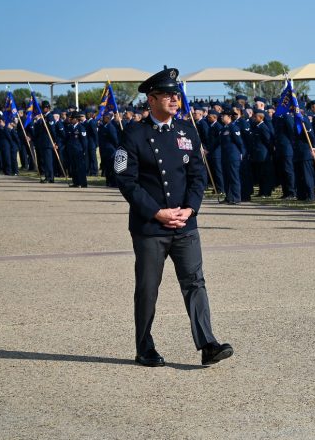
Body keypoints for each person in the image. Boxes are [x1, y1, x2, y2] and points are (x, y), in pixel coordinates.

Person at [115, 67, 233, 367]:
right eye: (167, 94)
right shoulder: (134, 134)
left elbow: (198, 176)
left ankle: (208, 344)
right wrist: (157, 211)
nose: (174, 99)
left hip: (185, 224)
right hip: (150, 226)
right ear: (151, 99)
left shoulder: (187, 132)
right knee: (147, 287)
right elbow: (126, 180)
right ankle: (144, 347)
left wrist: (190, 209)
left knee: (195, 283)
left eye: (176, 94)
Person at [64, 111, 88, 188]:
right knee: (73, 167)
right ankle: (76, 182)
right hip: (71, 150)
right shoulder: (70, 127)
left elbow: (84, 141)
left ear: (76, 119)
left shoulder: (81, 127)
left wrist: (84, 151)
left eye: (72, 118)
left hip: (79, 150)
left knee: (80, 167)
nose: (70, 119)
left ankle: (82, 183)